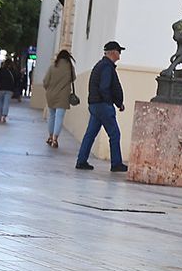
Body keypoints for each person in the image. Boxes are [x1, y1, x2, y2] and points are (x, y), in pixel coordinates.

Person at [76, 41, 129, 173]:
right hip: (103, 106)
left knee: (90, 134)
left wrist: (118, 103)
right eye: (119, 52)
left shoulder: (101, 65)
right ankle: (116, 163)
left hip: (95, 105)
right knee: (114, 134)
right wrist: (109, 102)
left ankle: (81, 161)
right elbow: (105, 87)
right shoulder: (106, 67)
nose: (120, 55)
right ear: (113, 52)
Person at [42, 49, 77, 148]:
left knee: (51, 116)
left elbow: (45, 81)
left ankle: (50, 137)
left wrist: (49, 89)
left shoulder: (52, 67)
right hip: (63, 96)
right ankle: (55, 139)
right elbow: (73, 78)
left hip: (51, 95)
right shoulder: (70, 68)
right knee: (59, 117)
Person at [0, 56, 21, 123]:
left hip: (1, 88)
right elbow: (16, 79)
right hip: (9, 89)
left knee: (0, 103)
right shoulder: (13, 71)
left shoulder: (2, 70)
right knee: (6, 103)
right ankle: (4, 116)